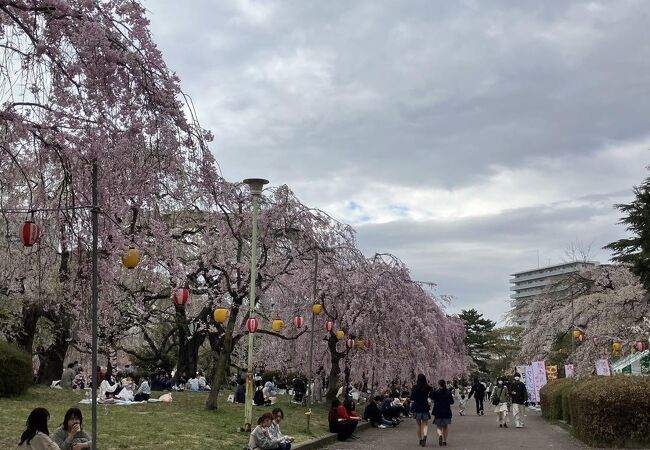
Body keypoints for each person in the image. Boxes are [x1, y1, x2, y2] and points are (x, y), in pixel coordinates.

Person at [410, 373, 432, 446]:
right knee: (425, 424)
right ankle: (425, 435)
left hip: (417, 407)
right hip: (425, 406)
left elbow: (412, 397)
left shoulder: (414, 387)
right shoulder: (428, 387)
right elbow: (430, 396)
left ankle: (420, 439)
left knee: (418, 425)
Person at [430, 379, 454, 447]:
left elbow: (431, 397)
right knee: (445, 427)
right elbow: (452, 402)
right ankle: (444, 441)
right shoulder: (448, 392)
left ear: (439, 384)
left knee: (438, 426)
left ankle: (440, 435)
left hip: (438, 411)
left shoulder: (436, 392)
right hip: (446, 411)